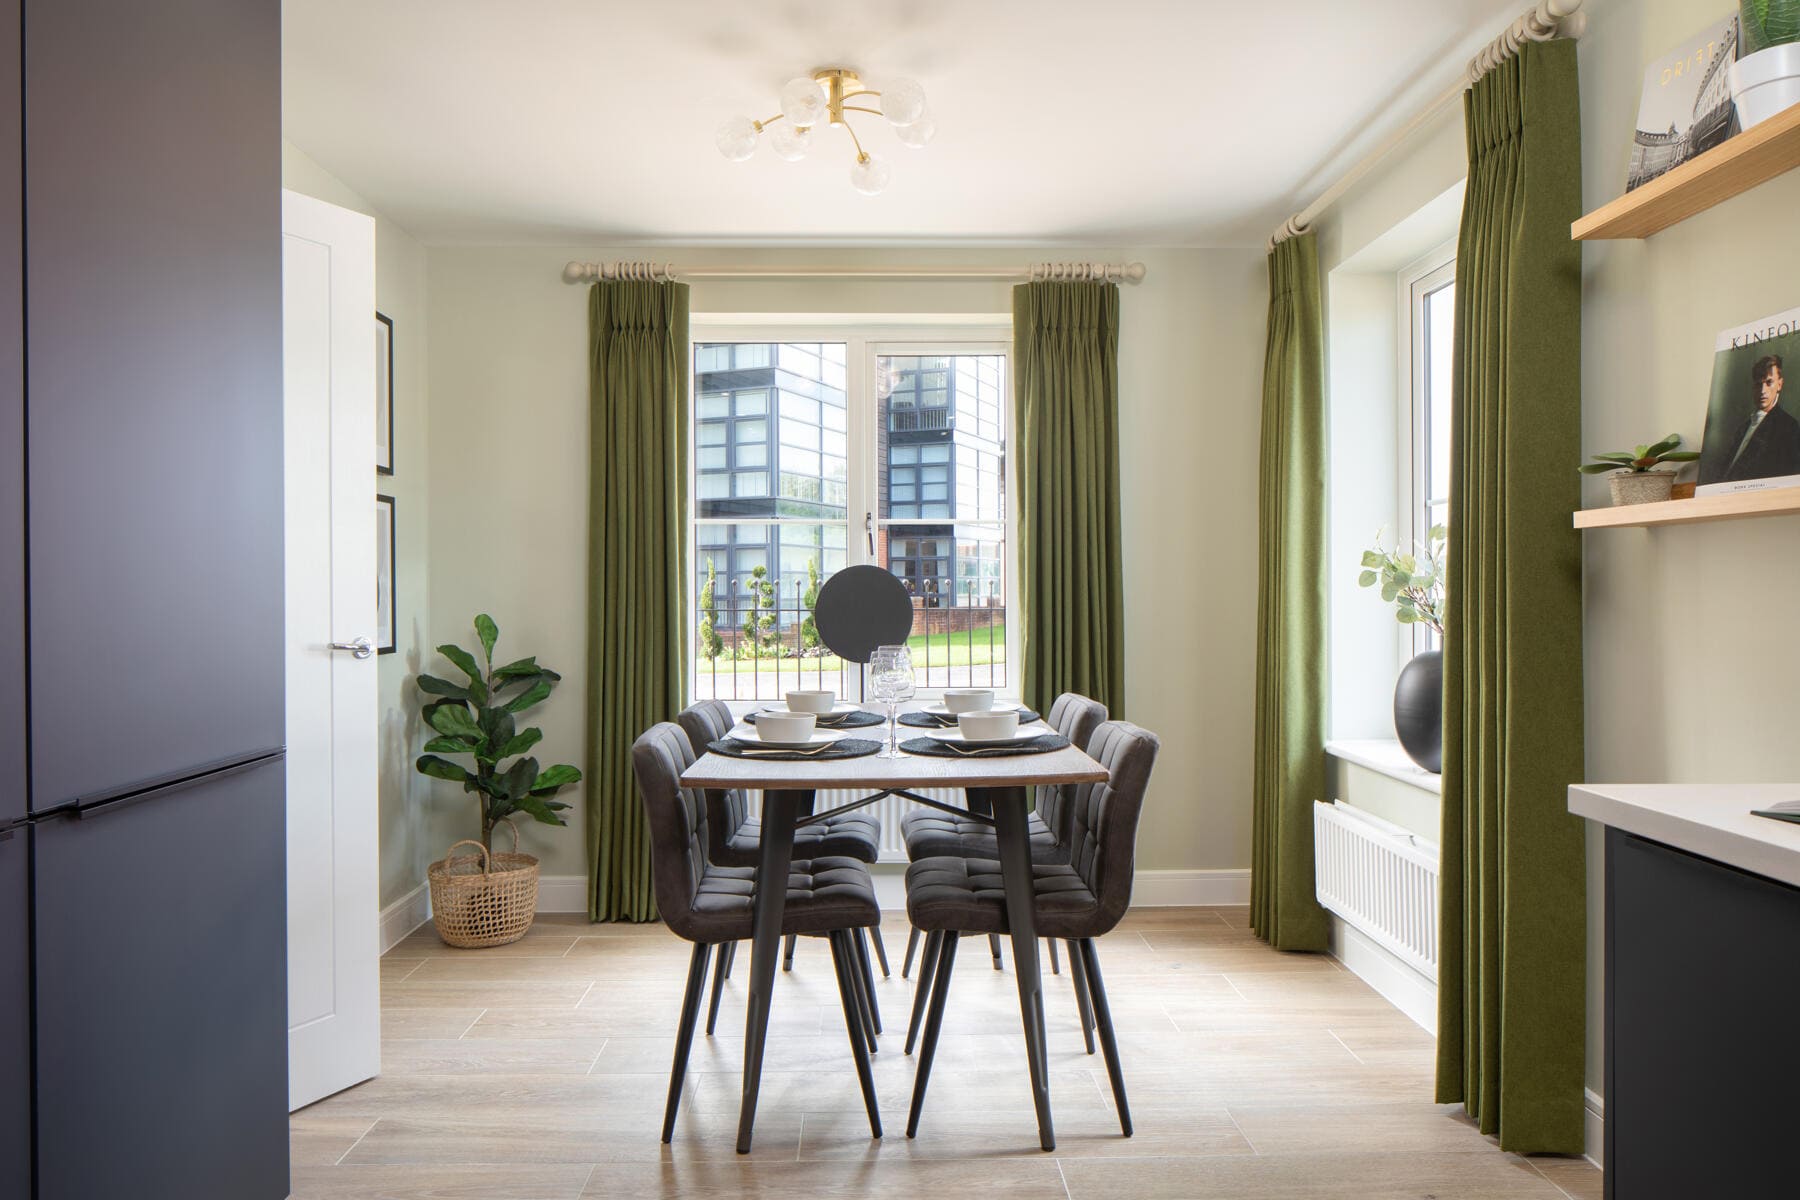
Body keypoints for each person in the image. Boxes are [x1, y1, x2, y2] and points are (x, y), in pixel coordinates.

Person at [1718, 355, 1800, 483]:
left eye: (1769, 382)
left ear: (1779, 384)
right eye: (1758, 384)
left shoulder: (1790, 427)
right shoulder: (1744, 427)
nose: (1762, 390)